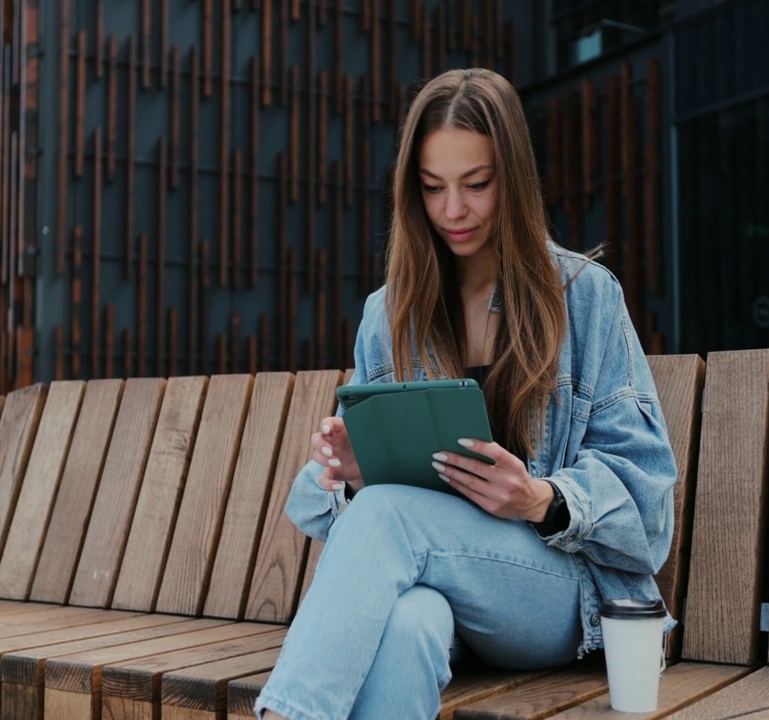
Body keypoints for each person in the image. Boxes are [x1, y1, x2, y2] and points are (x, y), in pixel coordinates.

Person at [254, 67, 676, 720]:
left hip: (555, 595)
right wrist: (352, 472)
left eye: (476, 184)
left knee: (387, 515)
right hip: (441, 590)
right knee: (407, 625)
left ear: (514, 178)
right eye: (432, 188)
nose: (453, 210)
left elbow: (647, 509)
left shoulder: (584, 296)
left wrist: (541, 498)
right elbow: (313, 505)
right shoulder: (390, 314)